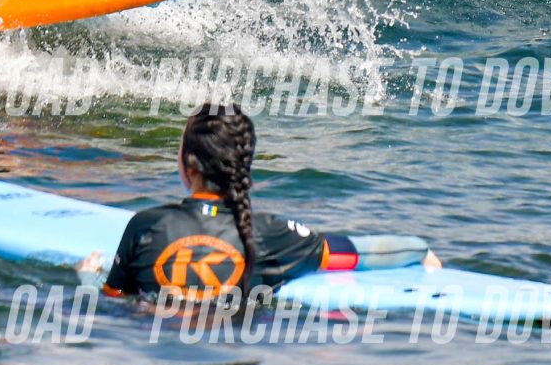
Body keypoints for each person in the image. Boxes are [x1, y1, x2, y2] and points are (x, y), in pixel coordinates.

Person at [97, 105, 362, 312]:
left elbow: (112, 303)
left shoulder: (144, 225)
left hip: (156, 350)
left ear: (190, 167)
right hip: (238, 352)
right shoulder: (270, 233)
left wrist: (89, 276)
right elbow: (346, 255)